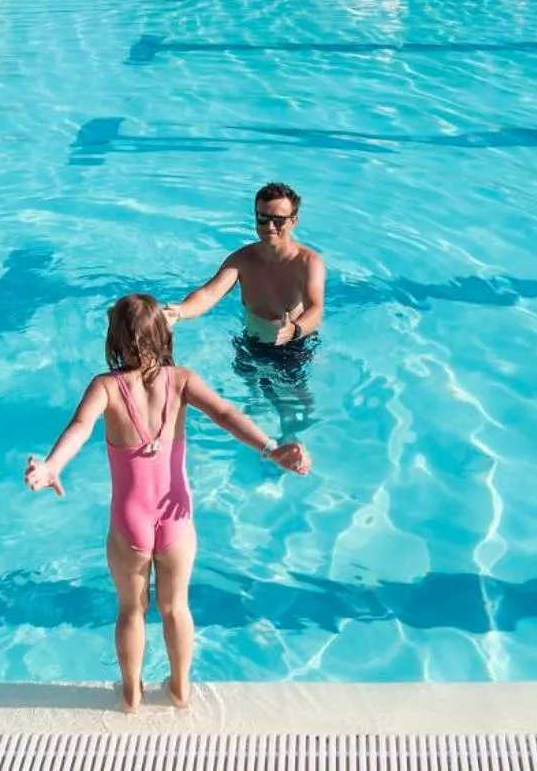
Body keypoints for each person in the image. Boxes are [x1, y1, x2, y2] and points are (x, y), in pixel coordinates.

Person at [25, 294, 309, 713]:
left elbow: (81, 427)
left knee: (130, 610)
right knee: (176, 608)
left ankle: (131, 694)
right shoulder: (181, 380)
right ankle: (179, 690)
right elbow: (226, 414)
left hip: (130, 519)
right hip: (175, 515)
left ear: (114, 339)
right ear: (164, 335)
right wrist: (270, 448)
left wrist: (52, 466)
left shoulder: (106, 387)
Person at [164, 182, 325, 437]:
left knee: (294, 405)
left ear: (294, 221)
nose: (269, 227)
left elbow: (315, 308)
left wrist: (294, 331)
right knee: (252, 384)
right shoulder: (242, 259)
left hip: (291, 345)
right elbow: (209, 293)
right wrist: (180, 311)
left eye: (278, 220)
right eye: (262, 218)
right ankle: (259, 426)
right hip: (251, 339)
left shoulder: (307, 262)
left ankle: (290, 442)